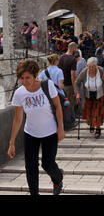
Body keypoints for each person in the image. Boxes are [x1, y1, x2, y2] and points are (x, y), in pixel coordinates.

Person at [7, 59, 65, 195]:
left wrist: (60, 128)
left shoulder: (47, 85)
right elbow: (18, 118)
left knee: (47, 164)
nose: (24, 81)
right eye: (21, 78)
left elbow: (58, 106)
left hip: (50, 132)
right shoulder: (19, 93)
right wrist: (11, 143)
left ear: (35, 76)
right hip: (31, 133)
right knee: (30, 167)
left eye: (27, 77)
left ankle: (58, 178)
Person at [74, 57, 104, 139]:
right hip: (88, 95)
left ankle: (98, 129)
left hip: (100, 95)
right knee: (90, 113)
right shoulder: (85, 71)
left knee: (98, 113)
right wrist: (77, 93)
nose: (91, 68)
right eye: (89, 66)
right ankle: (92, 125)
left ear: (96, 65)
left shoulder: (101, 70)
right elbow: (76, 82)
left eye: (93, 66)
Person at [58, 42, 78, 112]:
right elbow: (73, 75)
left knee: (62, 103)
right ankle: (70, 120)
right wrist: (75, 88)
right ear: (74, 48)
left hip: (61, 85)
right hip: (69, 85)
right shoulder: (73, 59)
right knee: (70, 104)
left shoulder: (61, 57)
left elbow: (59, 71)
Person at [74, 50, 87, 117]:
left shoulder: (79, 63)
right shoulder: (84, 60)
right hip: (84, 82)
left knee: (81, 98)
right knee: (82, 97)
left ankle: (81, 112)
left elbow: (76, 74)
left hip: (80, 82)